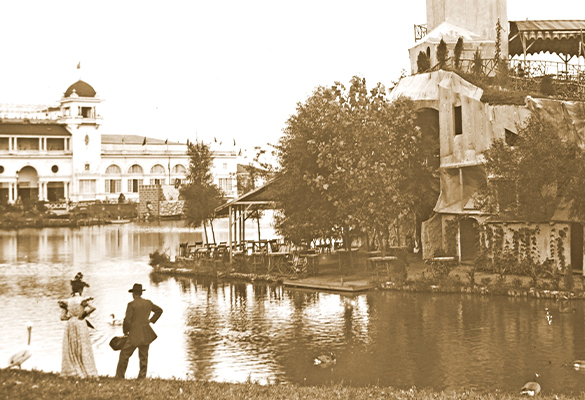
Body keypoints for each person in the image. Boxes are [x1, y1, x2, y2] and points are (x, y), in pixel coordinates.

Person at [115, 283, 163, 379]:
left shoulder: (131, 304)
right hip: (146, 332)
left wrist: (125, 331)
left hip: (134, 333)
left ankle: (120, 376)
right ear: (141, 293)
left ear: (133, 294)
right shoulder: (148, 303)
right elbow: (159, 310)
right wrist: (151, 320)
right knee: (143, 356)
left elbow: (127, 320)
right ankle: (142, 377)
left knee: (124, 354)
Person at [59, 273, 98, 378]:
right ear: (81, 290)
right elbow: (93, 307)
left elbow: (62, 317)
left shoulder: (67, 301)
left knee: (71, 347)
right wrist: (84, 315)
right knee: (82, 346)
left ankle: (72, 370)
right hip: (80, 324)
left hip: (70, 324)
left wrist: (71, 317)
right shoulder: (82, 300)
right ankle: (85, 369)